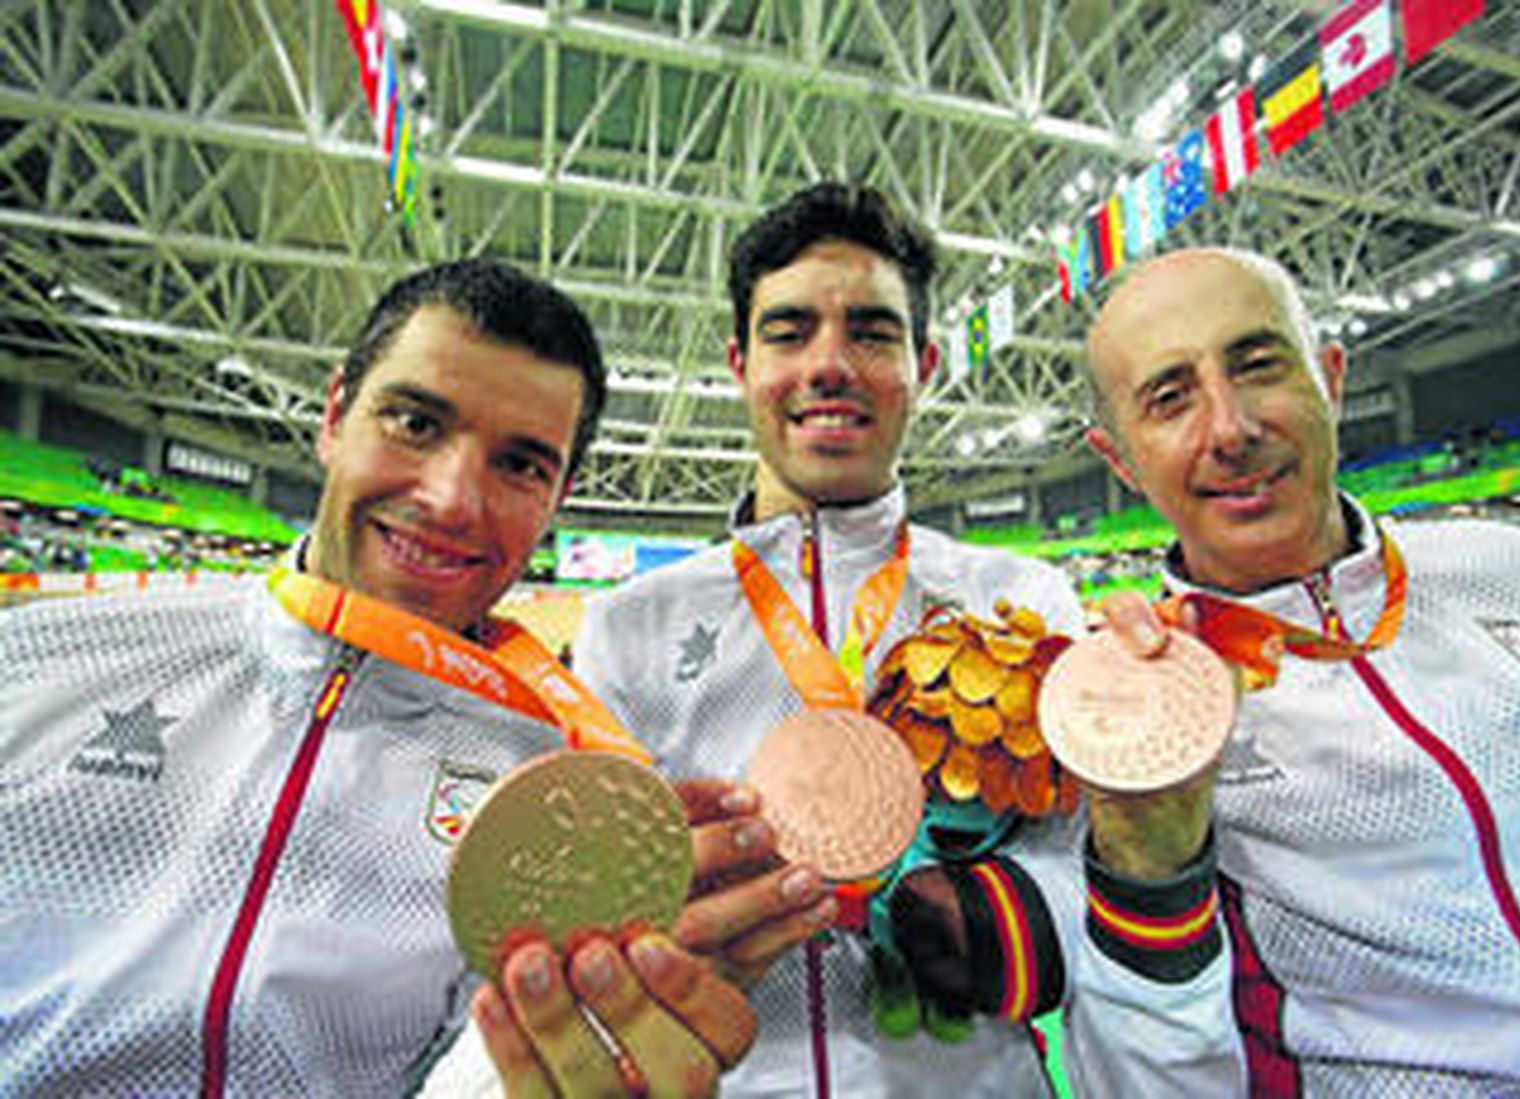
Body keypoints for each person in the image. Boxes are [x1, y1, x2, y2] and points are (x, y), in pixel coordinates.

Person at [429, 183, 1243, 1097]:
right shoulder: (631, 622)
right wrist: (658, 923)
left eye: (871, 332)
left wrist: (1017, 916)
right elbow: (573, 909)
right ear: (741, 362)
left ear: (924, 363)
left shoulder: (1020, 596)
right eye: (788, 332)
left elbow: (1088, 864)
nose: (829, 364)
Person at [0, 258, 761, 1097]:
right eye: (414, 422)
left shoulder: (557, 795)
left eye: (520, 465)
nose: (450, 499)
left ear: (559, 499)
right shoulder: (38, 654)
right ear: (335, 415)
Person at [1082, 246, 1520, 1092]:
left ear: (1329, 376)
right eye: (1170, 399)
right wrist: (1145, 866)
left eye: (1258, 366)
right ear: (1121, 461)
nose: (1231, 428)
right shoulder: (1128, 705)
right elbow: (1148, 1069)